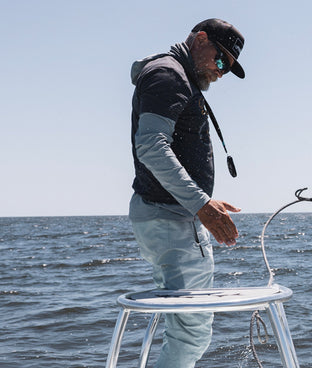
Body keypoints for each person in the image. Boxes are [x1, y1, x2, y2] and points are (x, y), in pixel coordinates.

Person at [128, 18, 246, 367]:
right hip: (171, 220)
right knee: (191, 333)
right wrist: (200, 204)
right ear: (200, 39)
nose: (221, 72)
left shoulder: (176, 76)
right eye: (221, 60)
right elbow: (150, 146)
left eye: (228, 67)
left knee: (185, 328)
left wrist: (206, 201)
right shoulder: (169, 76)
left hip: (167, 215)